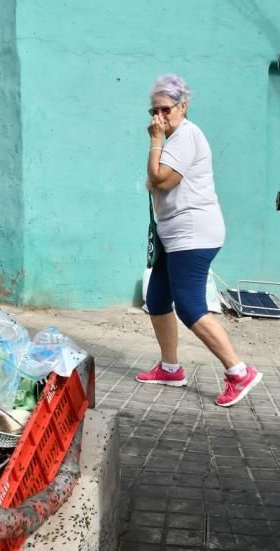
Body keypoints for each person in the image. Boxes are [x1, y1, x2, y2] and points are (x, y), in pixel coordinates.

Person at [136, 74, 262, 407]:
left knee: (190, 306)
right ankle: (170, 368)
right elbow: (157, 179)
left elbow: (161, 180)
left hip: (193, 233)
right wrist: (158, 149)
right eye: (154, 110)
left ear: (183, 105)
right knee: (158, 297)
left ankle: (239, 372)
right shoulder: (173, 137)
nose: (158, 117)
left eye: (165, 109)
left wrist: (154, 141)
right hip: (174, 233)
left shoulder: (186, 136)